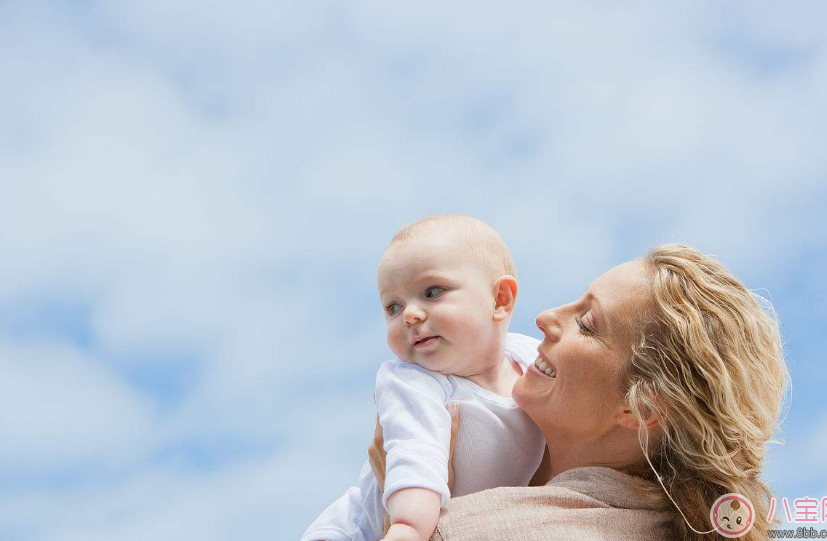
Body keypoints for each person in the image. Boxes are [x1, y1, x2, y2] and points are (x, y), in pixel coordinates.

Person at [424, 244, 788, 541]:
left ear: (642, 408)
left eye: (586, 324)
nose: (545, 317)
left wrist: (408, 508)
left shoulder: (469, 530)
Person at [301, 215, 546, 541]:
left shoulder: (531, 357)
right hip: (359, 531)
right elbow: (415, 456)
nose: (410, 315)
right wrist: (408, 528)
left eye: (432, 291)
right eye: (393, 307)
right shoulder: (413, 382)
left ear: (500, 299)